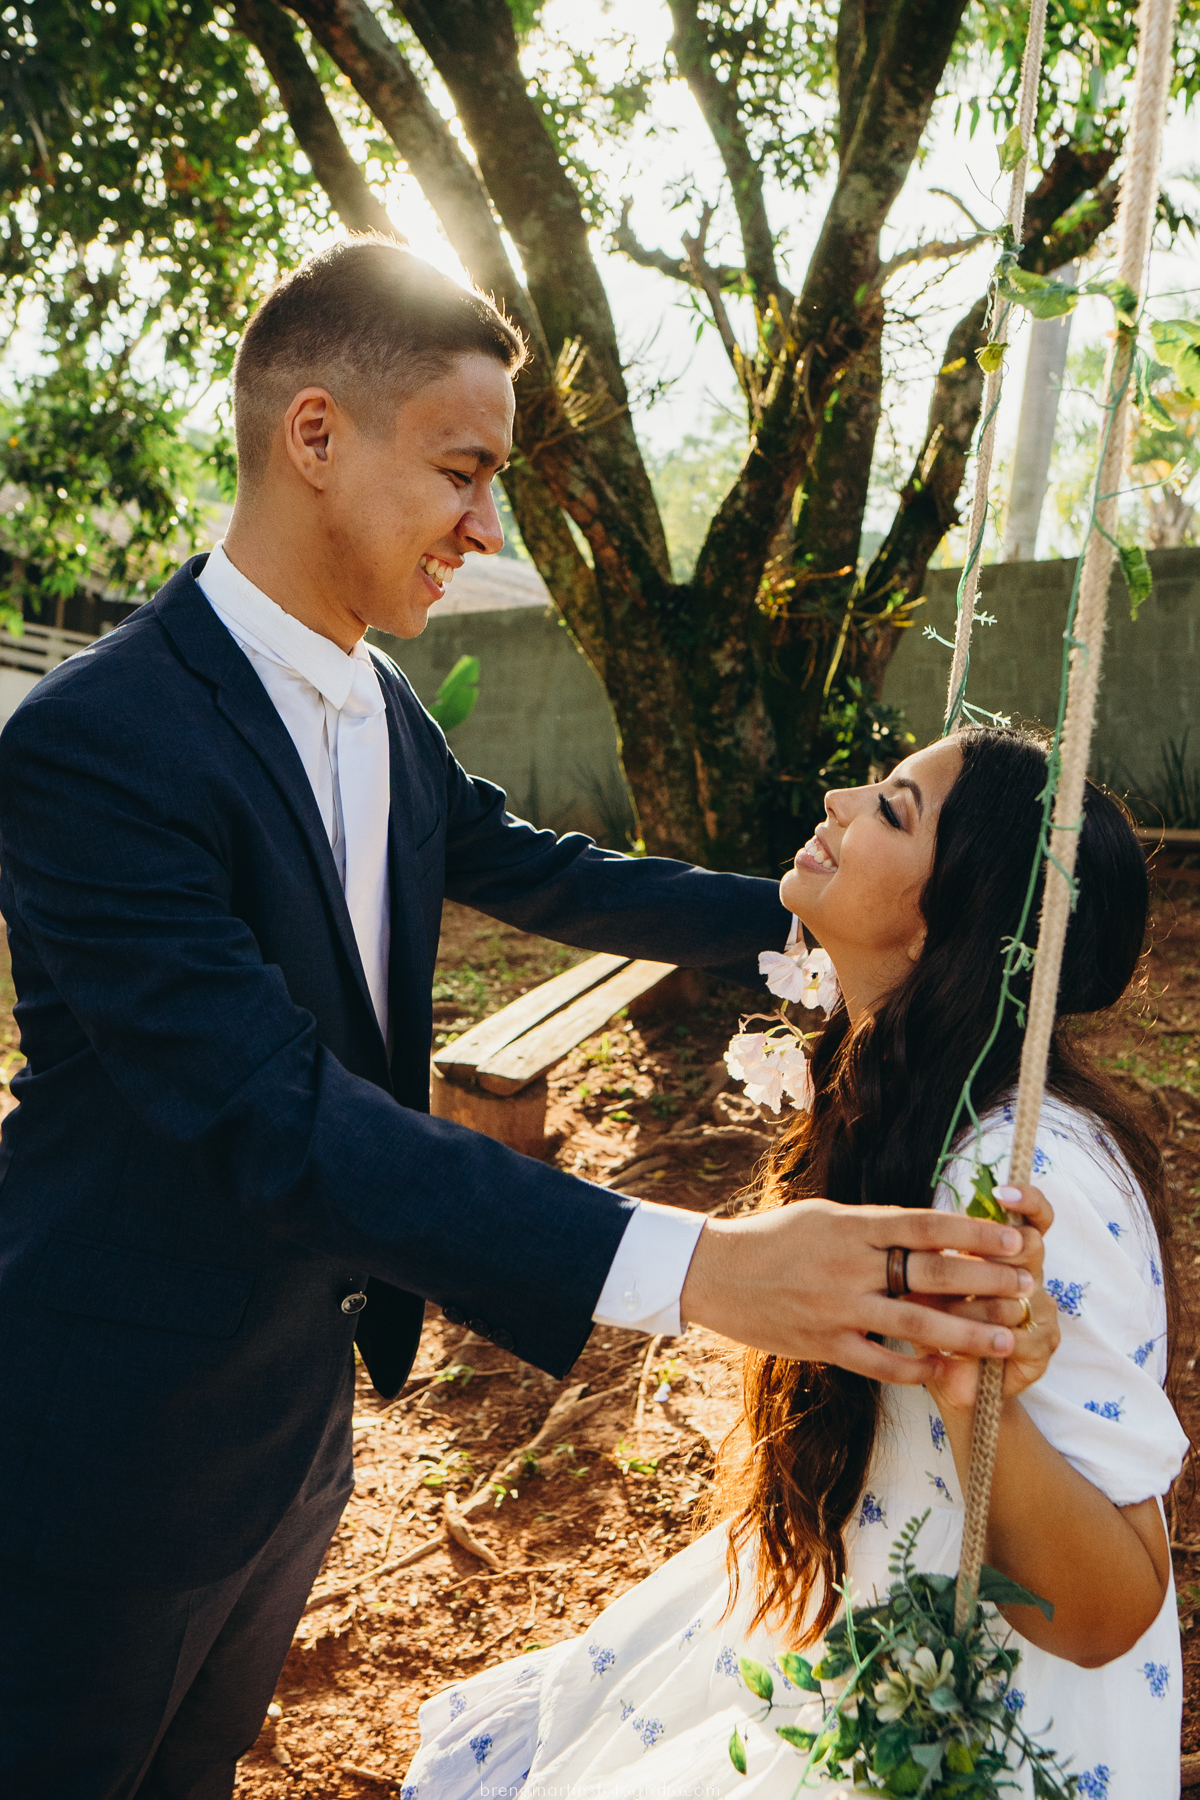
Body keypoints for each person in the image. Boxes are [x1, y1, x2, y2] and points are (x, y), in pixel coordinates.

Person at [0, 241, 1031, 1800]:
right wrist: (701, 1268)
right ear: (318, 436)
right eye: (464, 472)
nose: (486, 530)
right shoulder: (94, 748)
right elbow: (274, 1112)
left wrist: (806, 908)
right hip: (100, 1445)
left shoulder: (381, 706)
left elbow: (538, 870)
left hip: (293, 1425)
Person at [405, 728, 1187, 1800]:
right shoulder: (897, 1091)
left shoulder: (1017, 1184)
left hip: (974, 1733)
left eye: (894, 807)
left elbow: (1114, 1603)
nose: (838, 793)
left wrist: (973, 1400)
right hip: (862, 1639)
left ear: (944, 929)